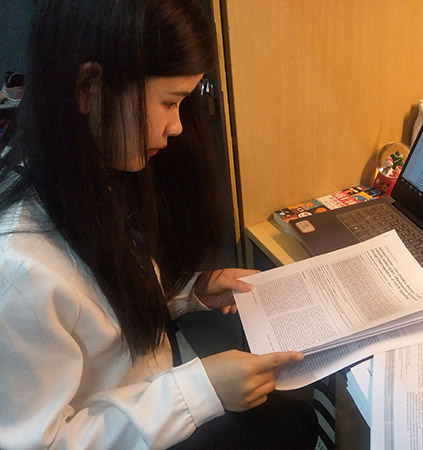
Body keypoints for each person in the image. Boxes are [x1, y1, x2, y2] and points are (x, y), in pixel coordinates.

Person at [0, 1, 318, 448]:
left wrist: (189, 292)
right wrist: (198, 391)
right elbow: (42, 442)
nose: (177, 126)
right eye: (170, 102)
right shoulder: (19, 269)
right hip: (140, 427)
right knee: (287, 423)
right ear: (89, 87)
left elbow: (100, 313)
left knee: (290, 415)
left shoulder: (89, 183)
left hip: (152, 401)